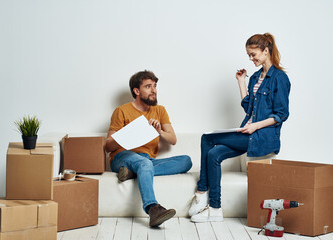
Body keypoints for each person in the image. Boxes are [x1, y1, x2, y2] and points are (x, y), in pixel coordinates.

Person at [189, 33, 291, 222]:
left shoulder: (279, 78)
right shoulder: (254, 78)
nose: (251, 59)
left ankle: (202, 190)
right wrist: (241, 81)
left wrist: (255, 127)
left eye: (253, 54)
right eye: (249, 55)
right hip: (247, 131)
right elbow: (247, 106)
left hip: (260, 136)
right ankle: (215, 209)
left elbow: (281, 115)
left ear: (266, 51)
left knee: (207, 138)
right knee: (213, 155)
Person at [105, 70, 192, 227]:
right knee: (144, 164)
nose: (154, 90)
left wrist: (160, 133)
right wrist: (128, 133)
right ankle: (153, 209)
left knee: (186, 161)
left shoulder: (160, 110)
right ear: (136, 91)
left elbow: (173, 140)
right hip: (122, 157)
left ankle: (132, 172)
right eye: (148, 86)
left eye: (155, 86)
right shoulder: (121, 111)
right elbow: (107, 146)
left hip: (146, 160)